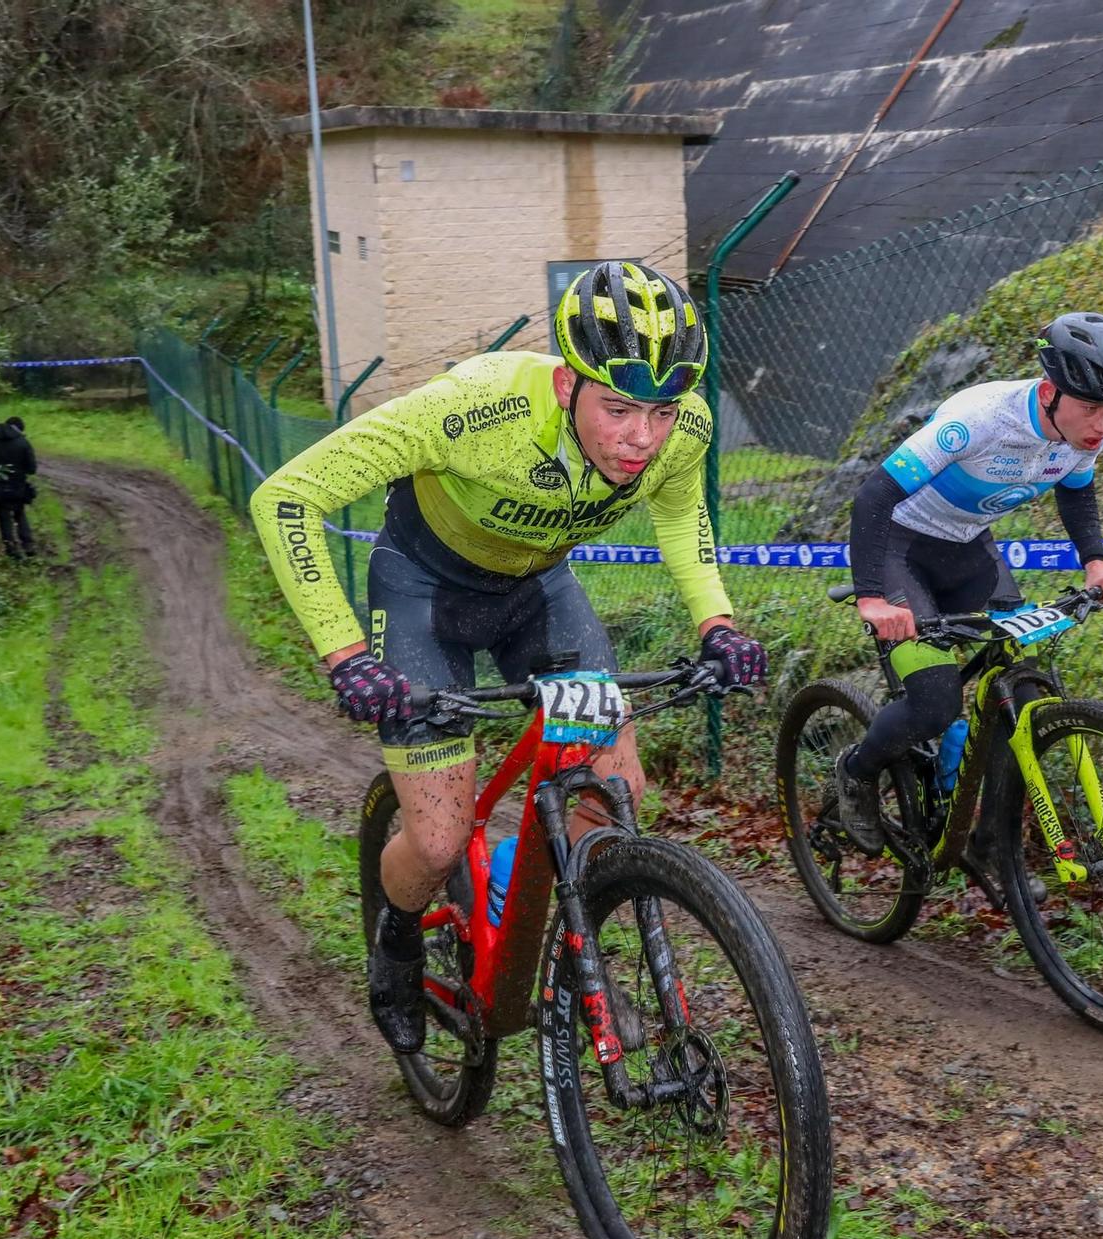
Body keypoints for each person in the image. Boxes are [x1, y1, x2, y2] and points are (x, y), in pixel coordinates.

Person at [249, 261, 768, 1054]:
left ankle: (573, 958)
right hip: (427, 591)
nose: (642, 437)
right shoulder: (474, 406)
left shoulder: (681, 433)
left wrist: (718, 624)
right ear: (567, 386)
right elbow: (286, 497)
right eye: (620, 407)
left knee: (617, 789)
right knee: (439, 841)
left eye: (661, 411)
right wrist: (346, 654)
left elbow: (680, 518)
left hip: (538, 591)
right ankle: (397, 933)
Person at [833, 311, 1103, 854]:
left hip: (970, 550)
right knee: (935, 701)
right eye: (1093, 406)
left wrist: (1096, 561)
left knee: (1020, 689)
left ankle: (990, 845)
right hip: (900, 548)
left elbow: (1077, 491)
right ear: (1049, 391)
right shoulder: (980, 419)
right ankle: (857, 773)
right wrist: (873, 598)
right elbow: (873, 498)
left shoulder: (1079, 431)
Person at [0, 417, 38, 558]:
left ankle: (11, 548)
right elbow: (32, 469)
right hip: (18, 486)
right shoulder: (23, 443)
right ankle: (28, 544)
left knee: (3, 517)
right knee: (19, 513)